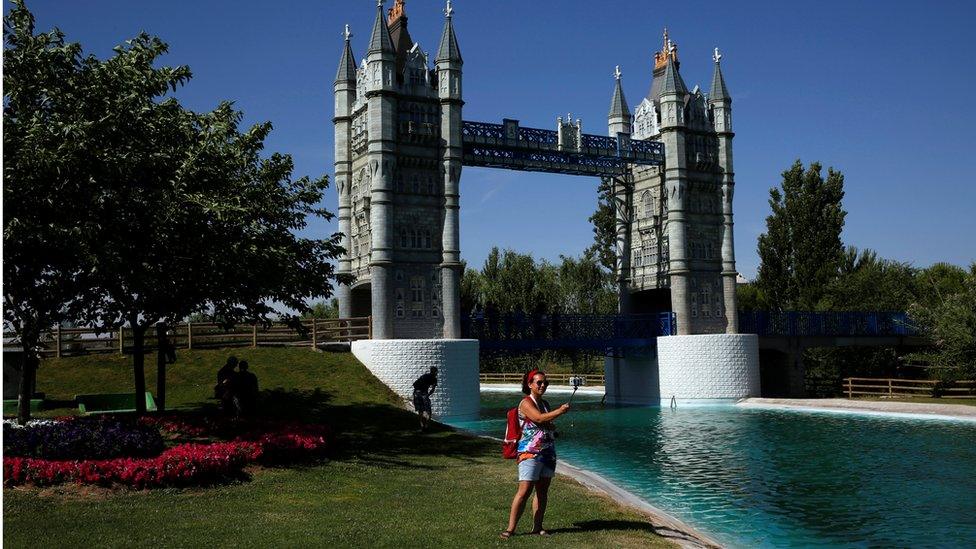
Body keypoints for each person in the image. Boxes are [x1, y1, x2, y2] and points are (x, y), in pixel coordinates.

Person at [501, 369, 570, 539]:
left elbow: (545, 423)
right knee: (524, 490)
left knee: (542, 491)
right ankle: (510, 528)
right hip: (529, 453)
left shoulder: (544, 403)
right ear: (529, 384)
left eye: (545, 382)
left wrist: (553, 428)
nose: (542, 385)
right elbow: (538, 418)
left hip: (547, 452)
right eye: (539, 382)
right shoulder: (525, 403)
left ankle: (538, 527)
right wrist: (560, 411)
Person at [412, 366, 438, 432]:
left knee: (420, 411)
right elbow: (432, 389)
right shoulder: (434, 379)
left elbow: (415, 384)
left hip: (416, 393)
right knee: (428, 411)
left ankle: (421, 426)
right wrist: (427, 395)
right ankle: (426, 426)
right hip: (423, 394)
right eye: (436, 372)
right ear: (435, 372)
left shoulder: (425, 376)